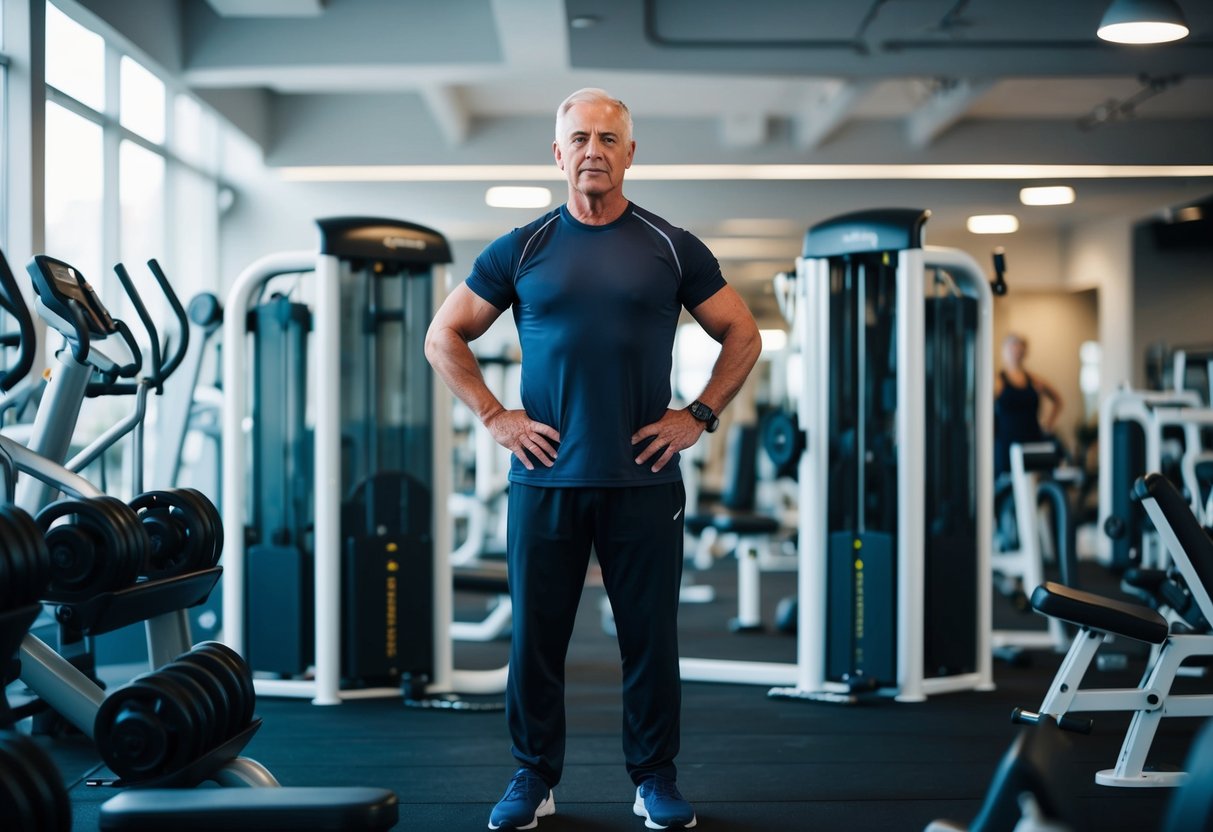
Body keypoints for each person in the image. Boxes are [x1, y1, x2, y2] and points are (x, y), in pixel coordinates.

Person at [425, 88, 761, 831]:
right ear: (557, 153)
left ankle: (653, 779)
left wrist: (698, 414)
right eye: (579, 139)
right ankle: (532, 777)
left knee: (649, 638)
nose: (593, 152)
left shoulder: (671, 245)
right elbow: (443, 335)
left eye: (608, 140)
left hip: (643, 478)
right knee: (536, 638)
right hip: (544, 477)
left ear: (630, 153)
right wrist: (494, 414)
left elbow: (742, 333)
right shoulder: (522, 246)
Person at [994, 332, 1064, 479]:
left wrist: (1048, 424)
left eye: (1019, 348)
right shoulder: (998, 381)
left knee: (1034, 482)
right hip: (1008, 442)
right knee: (1009, 485)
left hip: (1032, 438)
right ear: (1004, 350)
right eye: (1012, 347)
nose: (1016, 351)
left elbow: (1057, 400)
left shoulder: (1034, 379)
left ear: (1024, 351)